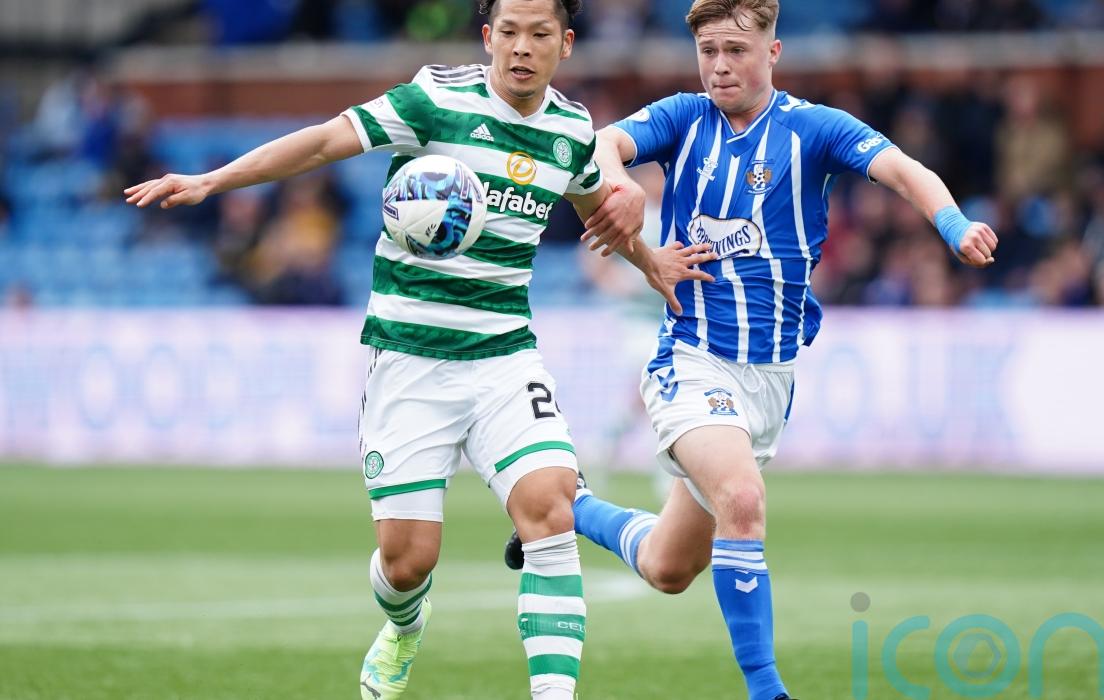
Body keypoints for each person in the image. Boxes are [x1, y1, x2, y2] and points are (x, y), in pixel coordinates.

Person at [124, 1, 712, 698]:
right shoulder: (434, 100)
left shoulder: (570, 131)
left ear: (566, 44)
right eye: (510, 32)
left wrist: (650, 261)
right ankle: (404, 623)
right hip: (410, 359)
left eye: (540, 35)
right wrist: (211, 180)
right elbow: (323, 142)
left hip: (504, 357)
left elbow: (597, 215)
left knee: (551, 512)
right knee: (407, 563)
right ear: (488, 36)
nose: (522, 48)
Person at [503, 1, 998, 699]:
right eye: (708, 51)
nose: (719, 66)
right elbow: (602, 144)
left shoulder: (813, 129)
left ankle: (570, 504)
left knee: (668, 567)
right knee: (741, 497)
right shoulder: (683, 119)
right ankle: (768, 690)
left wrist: (953, 223)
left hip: (768, 381)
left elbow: (904, 170)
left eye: (735, 50)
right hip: (691, 360)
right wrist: (622, 188)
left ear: (773, 52)